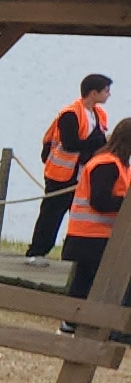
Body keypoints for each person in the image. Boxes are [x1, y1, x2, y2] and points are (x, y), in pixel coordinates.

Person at [30, 73, 115, 261]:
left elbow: (94, 142)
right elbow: (70, 143)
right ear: (93, 93)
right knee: (51, 213)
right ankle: (36, 252)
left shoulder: (100, 114)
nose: (109, 95)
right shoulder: (70, 114)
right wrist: (102, 141)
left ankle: (73, 255)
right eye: (106, 91)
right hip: (61, 173)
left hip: (83, 174)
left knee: (79, 216)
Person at [66, 127, 125, 308]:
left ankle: (71, 323)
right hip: (91, 236)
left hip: (103, 236)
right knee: (86, 284)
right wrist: (126, 203)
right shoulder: (106, 164)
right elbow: (99, 201)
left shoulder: (120, 165)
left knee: (87, 282)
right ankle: (71, 322)